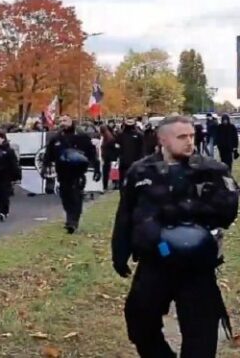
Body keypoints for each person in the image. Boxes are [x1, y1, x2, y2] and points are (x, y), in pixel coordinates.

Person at [112, 115, 237, 357]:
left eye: (192, 136)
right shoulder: (141, 172)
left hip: (196, 265)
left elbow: (228, 211)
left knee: (201, 333)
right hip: (156, 261)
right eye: (182, 137)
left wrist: (187, 211)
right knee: (140, 321)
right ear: (163, 139)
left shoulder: (211, 170)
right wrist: (120, 251)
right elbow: (126, 213)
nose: (190, 142)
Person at [42, 115, 101, 234]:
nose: (63, 123)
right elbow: (49, 154)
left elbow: (92, 153)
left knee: (76, 196)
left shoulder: (81, 137)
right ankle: (70, 216)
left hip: (77, 172)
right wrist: (45, 166)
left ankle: (73, 221)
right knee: (65, 196)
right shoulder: (56, 138)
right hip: (62, 172)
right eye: (61, 121)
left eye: (65, 121)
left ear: (71, 122)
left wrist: (96, 168)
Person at [117, 118, 144, 187]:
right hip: (124, 163)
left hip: (135, 162)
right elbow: (117, 147)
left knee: (134, 182)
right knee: (123, 182)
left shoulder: (139, 135)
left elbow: (142, 149)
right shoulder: (121, 135)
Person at [100, 125, 118, 191]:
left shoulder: (105, 138)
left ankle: (105, 185)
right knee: (114, 169)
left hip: (106, 155)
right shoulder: (112, 136)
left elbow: (103, 147)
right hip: (113, 155)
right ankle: (115, 183)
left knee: (105, 170)